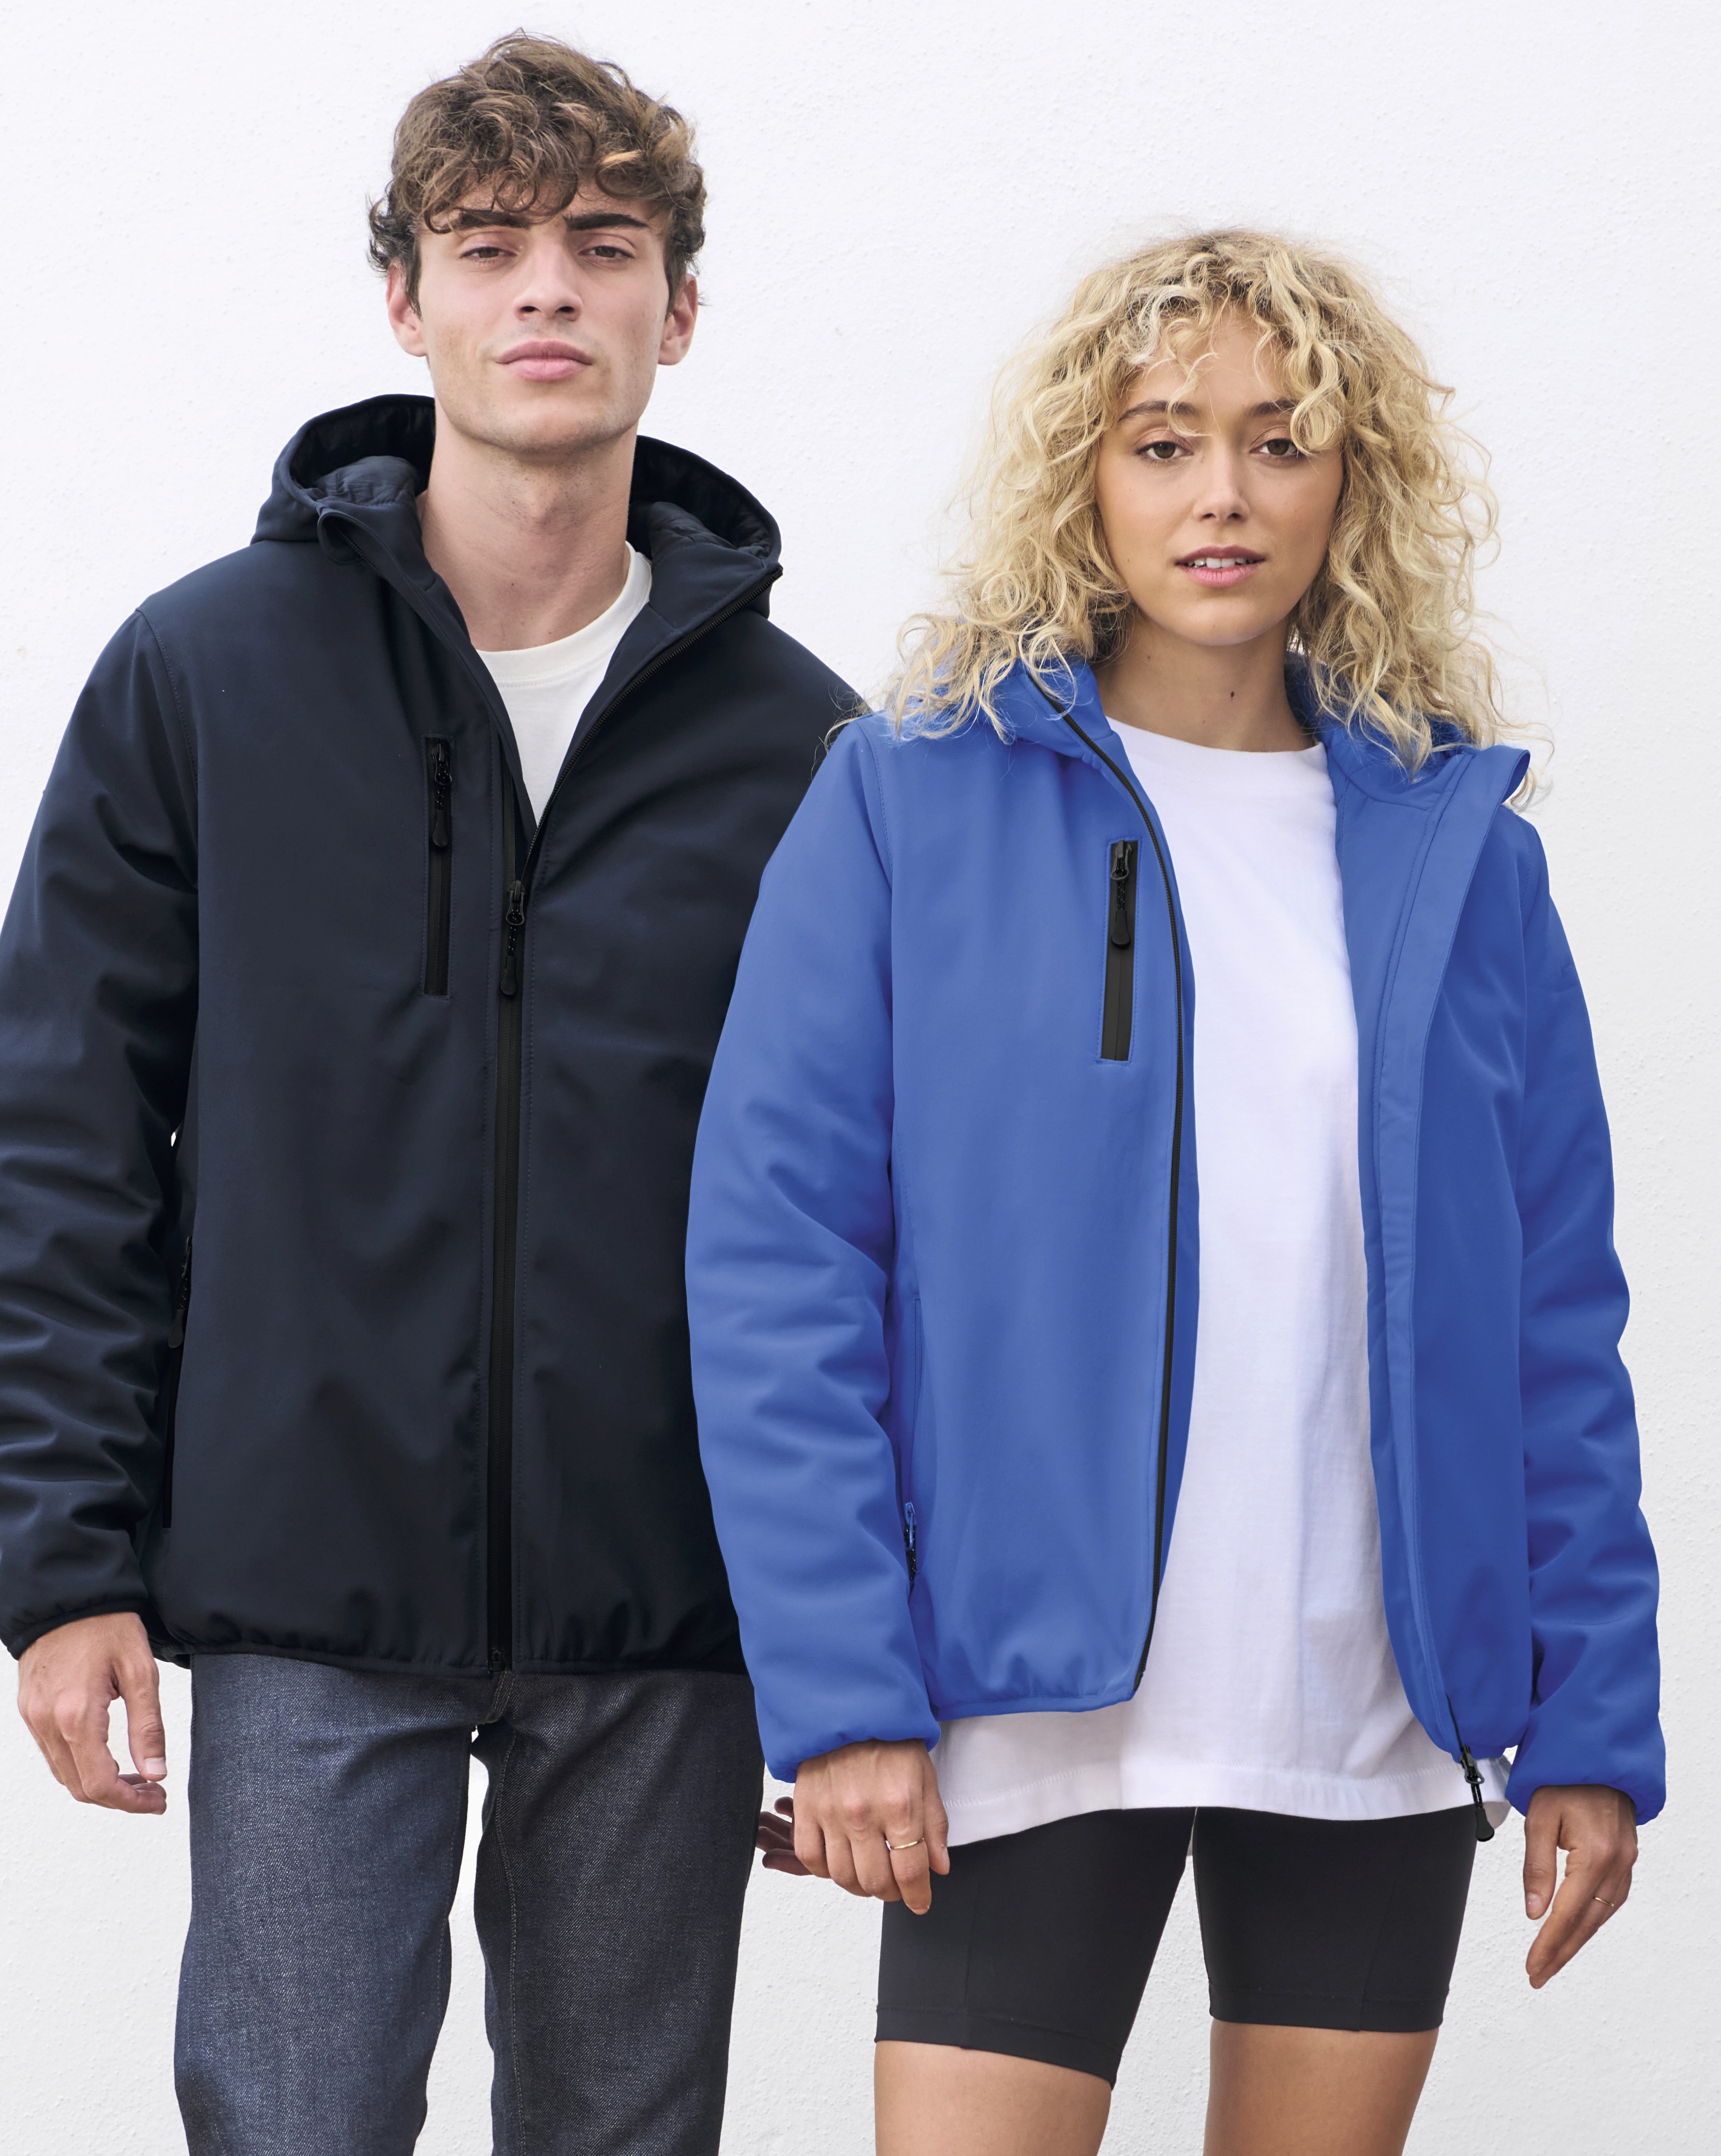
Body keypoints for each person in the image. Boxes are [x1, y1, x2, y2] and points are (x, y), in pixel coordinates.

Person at [0, 33, 845, 2156]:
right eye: (488, 241)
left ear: (676, 310)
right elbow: (65, 1137)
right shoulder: (205, 676)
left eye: (602, 244)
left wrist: (857, 1651)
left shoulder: (804, 748)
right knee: (290, 2125)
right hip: (302, 1579)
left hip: (664, 1603)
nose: (546, 288)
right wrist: (66, 1562)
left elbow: (870, 1216)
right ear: (404, 299)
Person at [687, 230, 1664, 2156]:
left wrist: (1594, 1722)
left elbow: (1553, 1322)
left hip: (1375, 1712)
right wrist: (840, 1695)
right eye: (1160, 442)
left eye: (1280, 441)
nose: (1222, 492)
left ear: (1351, 484)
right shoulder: (907, 802)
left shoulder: (1462, 857)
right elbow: (779, 1270)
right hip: (1020, 1714)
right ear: (1086, 478)